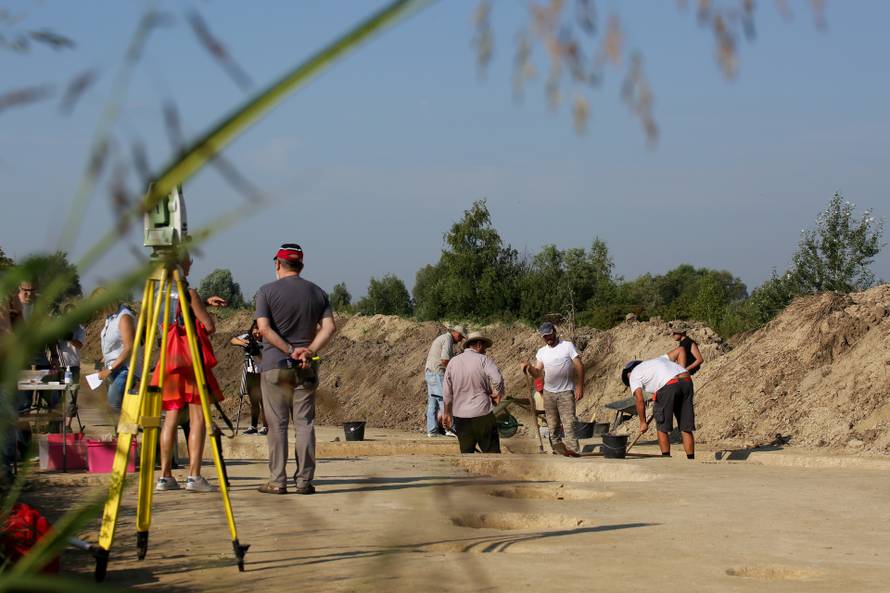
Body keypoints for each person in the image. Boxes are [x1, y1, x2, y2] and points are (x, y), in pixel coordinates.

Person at [255, 243, 336, 495]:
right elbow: (329, 327)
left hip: (275, 366)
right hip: (306, 367)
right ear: (301, 265)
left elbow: (265, 329)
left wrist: (289, 350)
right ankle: (304, 482)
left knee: (277, 425)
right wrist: (308, 351)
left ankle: (278, 481)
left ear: (278, 264)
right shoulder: (318, 293)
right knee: (305, 424)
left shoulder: (265, 292)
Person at [155, 255, 227, 493]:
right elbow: (208, 326)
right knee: (197, 417)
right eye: (188, 260)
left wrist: (202, 302)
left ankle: (165, 476)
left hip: (170, 361)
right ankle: (194, 475)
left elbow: (176, 316)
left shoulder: (159, 293)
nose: (191, 263)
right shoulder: (188, 291)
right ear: (179, 264)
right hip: (191, 362)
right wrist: (204, 310)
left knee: (171, 417)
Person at [521, 322, 584, 456]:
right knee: (552, 426)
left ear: (554, 332)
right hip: (549, 394)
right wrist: (529, 367)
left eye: (549, 334)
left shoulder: (567, 346)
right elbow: (538, 373)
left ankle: (574, 451)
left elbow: (579, 365)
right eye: (544, 336)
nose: (547, 338)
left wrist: (579, 386)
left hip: (566, 392)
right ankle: (558, 451)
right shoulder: (542, 352)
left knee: (569, 424)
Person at [442, 331, 504, 454]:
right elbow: (497, 379)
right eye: (485, 347)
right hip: (482, 414)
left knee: (467, 454)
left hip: (461, 416)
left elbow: (447, 393)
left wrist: (447, 413)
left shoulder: (453, 362)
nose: (485, 351)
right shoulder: (484, 360)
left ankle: (469, 473)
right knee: (493, 454)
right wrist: (498, 394)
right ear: (479, 344)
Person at [621, 357, 695, 459]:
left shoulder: (633, 374)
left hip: (668, 385)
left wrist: (643, 422)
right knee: (685, 426)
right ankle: (691, 459)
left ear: (629, 372)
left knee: (662, 427)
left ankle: (666, 458)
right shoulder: (655, 362)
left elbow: (639, 400)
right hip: (687, 381)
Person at [423, 324, 467, 437]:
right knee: (445, 400)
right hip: (437, 373)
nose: (461, 340)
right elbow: (444, 360)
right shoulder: (447, 339)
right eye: (461, 337)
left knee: (433, 402)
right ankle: (450, 429)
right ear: (456, 333)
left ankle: (432, 431)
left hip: (430, 372)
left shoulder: (443, 338)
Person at [97, 293, 138, 414]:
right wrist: (104, 360)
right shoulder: (110, 318)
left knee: (113, 403)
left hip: (125, 368)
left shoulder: (124, 317)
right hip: (115, 367)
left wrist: (109, 368)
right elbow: (114, 345)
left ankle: (121, 432)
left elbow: (128, 347)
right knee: (115, 404)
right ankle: (120, 432)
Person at [230, 320, 267, 435]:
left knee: (264, 401)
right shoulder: (248, 336)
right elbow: (233, 340)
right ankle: (253, 426)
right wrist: (244, 343)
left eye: (259, 330)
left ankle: (266, 426)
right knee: (254, 401)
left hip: (263, 373)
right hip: (250, 373)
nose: (257, 332)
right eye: (255, 329)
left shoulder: (267, 339)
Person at [55, 304, 85, 429]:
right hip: (59, 366)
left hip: (73, 367)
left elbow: (79, 345)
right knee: (56, 397)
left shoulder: (80, 328)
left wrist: (70, 337)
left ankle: (67, 425)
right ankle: (55, 424)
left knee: (71, 397)